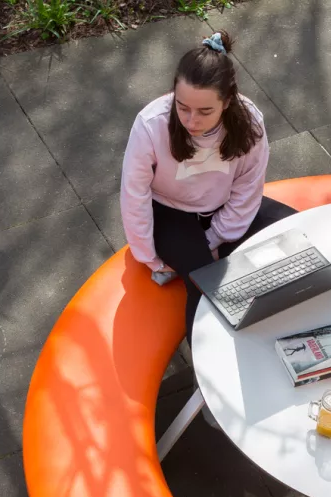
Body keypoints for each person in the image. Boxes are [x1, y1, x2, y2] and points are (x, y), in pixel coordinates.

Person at [120, 29, 298, 341]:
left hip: (223, 207)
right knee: (206, 285)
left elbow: (247, 188)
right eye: (183, 107)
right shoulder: (151, 125)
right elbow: (134, 196)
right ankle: (205, 382)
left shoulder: (251, 124)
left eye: (205, 111)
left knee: (296, 238)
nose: (191, 120)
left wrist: (217, 237)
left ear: (228, 102)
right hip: (170, 213)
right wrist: (152, 258)